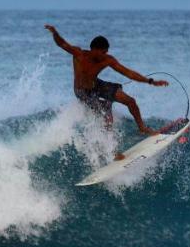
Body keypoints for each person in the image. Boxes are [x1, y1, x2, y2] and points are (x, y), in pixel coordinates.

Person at [45, 24, 168, 159]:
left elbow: (128, 73)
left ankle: (142, 128)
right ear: (95, 50)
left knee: (130, 101)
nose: (105, 55)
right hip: (82, 92)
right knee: (107, 115)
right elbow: (61, 44)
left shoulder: (107, 60)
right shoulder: (79, 54)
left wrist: (150, 81)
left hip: (97, 85)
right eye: (103, 52)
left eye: (106, 52)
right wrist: (55, 33)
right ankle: (112, 150)